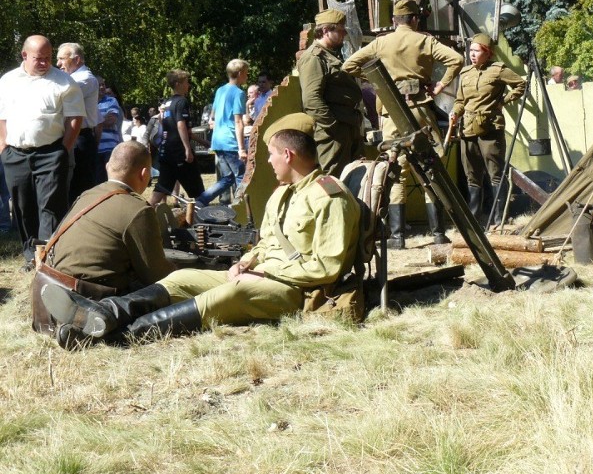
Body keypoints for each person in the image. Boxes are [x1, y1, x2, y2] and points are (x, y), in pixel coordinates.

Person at [40, 113, 361, 347]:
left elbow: (326, 267)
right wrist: (248, 261)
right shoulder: (281, 194)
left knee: (228, 295)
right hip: (259, 275)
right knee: (180, 278)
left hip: (293, 289)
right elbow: (267, 244)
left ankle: (109, 336)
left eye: (272, 155)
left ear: (288, 155)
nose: (268, 162)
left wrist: (266, 274)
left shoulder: (329, 196)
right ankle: (102, 314)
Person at [343, 0, 463, 247]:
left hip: (390, 113)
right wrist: (440, 85)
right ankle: (438, 233)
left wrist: (379, 81)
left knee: (396, 170)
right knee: (429, 168)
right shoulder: (424, 40)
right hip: (419, 110)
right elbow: (457, 60)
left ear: (394, 21)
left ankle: (397, 237)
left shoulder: (381, 43)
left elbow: (349, 65)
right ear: (415, 19)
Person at [40, 141, 176, 295]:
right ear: (144, 174)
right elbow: (157, 276)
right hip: (92, 298)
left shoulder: (87, 195)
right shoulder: (139, 210)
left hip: (52, 285)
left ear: (107, 167)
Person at [0, 35, 85, 266]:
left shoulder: (64, 83)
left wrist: (62, 150)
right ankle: (30, 255)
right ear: (24, 55)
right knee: (22, 205)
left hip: (51, 153)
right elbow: (2, 116)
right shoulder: (7, 81)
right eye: (39, 58)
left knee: (50, 206)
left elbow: (75, 118)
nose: (45, 63)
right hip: (15, 154)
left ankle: (47, 256)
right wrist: (3, 147)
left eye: (48, 58)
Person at [452, 33, 526, 225]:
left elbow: (520, 84)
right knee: (472, 176)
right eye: (471, 50)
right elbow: (461, 100)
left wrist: (504, 101)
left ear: (487, 53)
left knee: (495, 173)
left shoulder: (498, 70)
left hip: (490, 128)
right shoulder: (465, 73)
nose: (472, 54)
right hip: (467, 129)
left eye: (477, 51)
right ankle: (474, 219)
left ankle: (499, 218)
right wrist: (455, 112)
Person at [297, 9, 364, 177]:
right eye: (341, 30)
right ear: (326, 31)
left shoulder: (330, 56)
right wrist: (333, 127)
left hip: (347, 127)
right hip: (334, 133)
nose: (344, 34)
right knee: (333, 180)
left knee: (352, 181)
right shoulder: (314, 58)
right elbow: (311, 99)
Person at [195, 59, 249, 206]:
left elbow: (212, 117)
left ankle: (201, 201)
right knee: (241, 178)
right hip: (231, 142)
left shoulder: (220, 90)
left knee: (228, 178)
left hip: (218, 141)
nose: (247, 76)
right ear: (239, 73)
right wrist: (242, 149)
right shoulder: (238, 93)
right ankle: (242, 210)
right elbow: (238, 121)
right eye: (246, 73)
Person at [148, 70, 205, 206]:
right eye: (186, 82)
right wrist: (187, 149)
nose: (188, 85)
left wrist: (205, 142)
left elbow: (163, 123)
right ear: (178, 84)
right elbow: (181, 125)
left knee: (160, 188)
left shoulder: (167, 103)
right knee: (199, 192)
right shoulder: (182, 102)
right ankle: (206, 217)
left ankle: (145, 212)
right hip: (180, 153)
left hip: (166, 152)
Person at [56, 43, 100, 204]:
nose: (58, 64)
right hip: (73, 137)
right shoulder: (71, 79)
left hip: (80, 139)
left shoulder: (85, 79)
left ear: (77, 59)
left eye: (62, 59)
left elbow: (58, 99)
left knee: (80, 188)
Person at [96, 77, 123, 183]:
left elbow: (111, 120)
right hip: (94, 149)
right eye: (99, 85)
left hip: (109, 149)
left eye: (104, 84)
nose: (102, 87)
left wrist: (94, 123)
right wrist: (102, 120)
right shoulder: (88, 102)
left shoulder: (111, 100)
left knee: (110, 181)